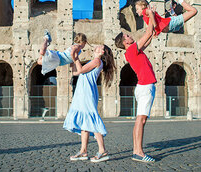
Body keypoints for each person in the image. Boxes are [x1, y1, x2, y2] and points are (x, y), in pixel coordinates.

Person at [63, 45, 116, 163]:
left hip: (87, 93)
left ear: (102, 52)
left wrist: (75, 57)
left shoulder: (97, 61)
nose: (96, 46)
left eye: (100, 46)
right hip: (82, 92)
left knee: (91, 119)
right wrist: (73, 59)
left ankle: (102, 151)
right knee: (84, 122)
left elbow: (81, 70)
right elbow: (76, 72)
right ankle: (83, 151)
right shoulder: (94, 61)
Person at [114, 20, 156, 163]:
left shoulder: (133, 51)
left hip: (144, 86)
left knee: (141, 120)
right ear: (124, 41)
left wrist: (153, 30)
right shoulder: (131, 50)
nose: (130, 35)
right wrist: (150, 16)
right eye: (127, 35)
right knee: (141, 119)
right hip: (145, 86)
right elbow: (148, 33)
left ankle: (137, 150)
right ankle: (138, 152)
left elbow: (148, 39)